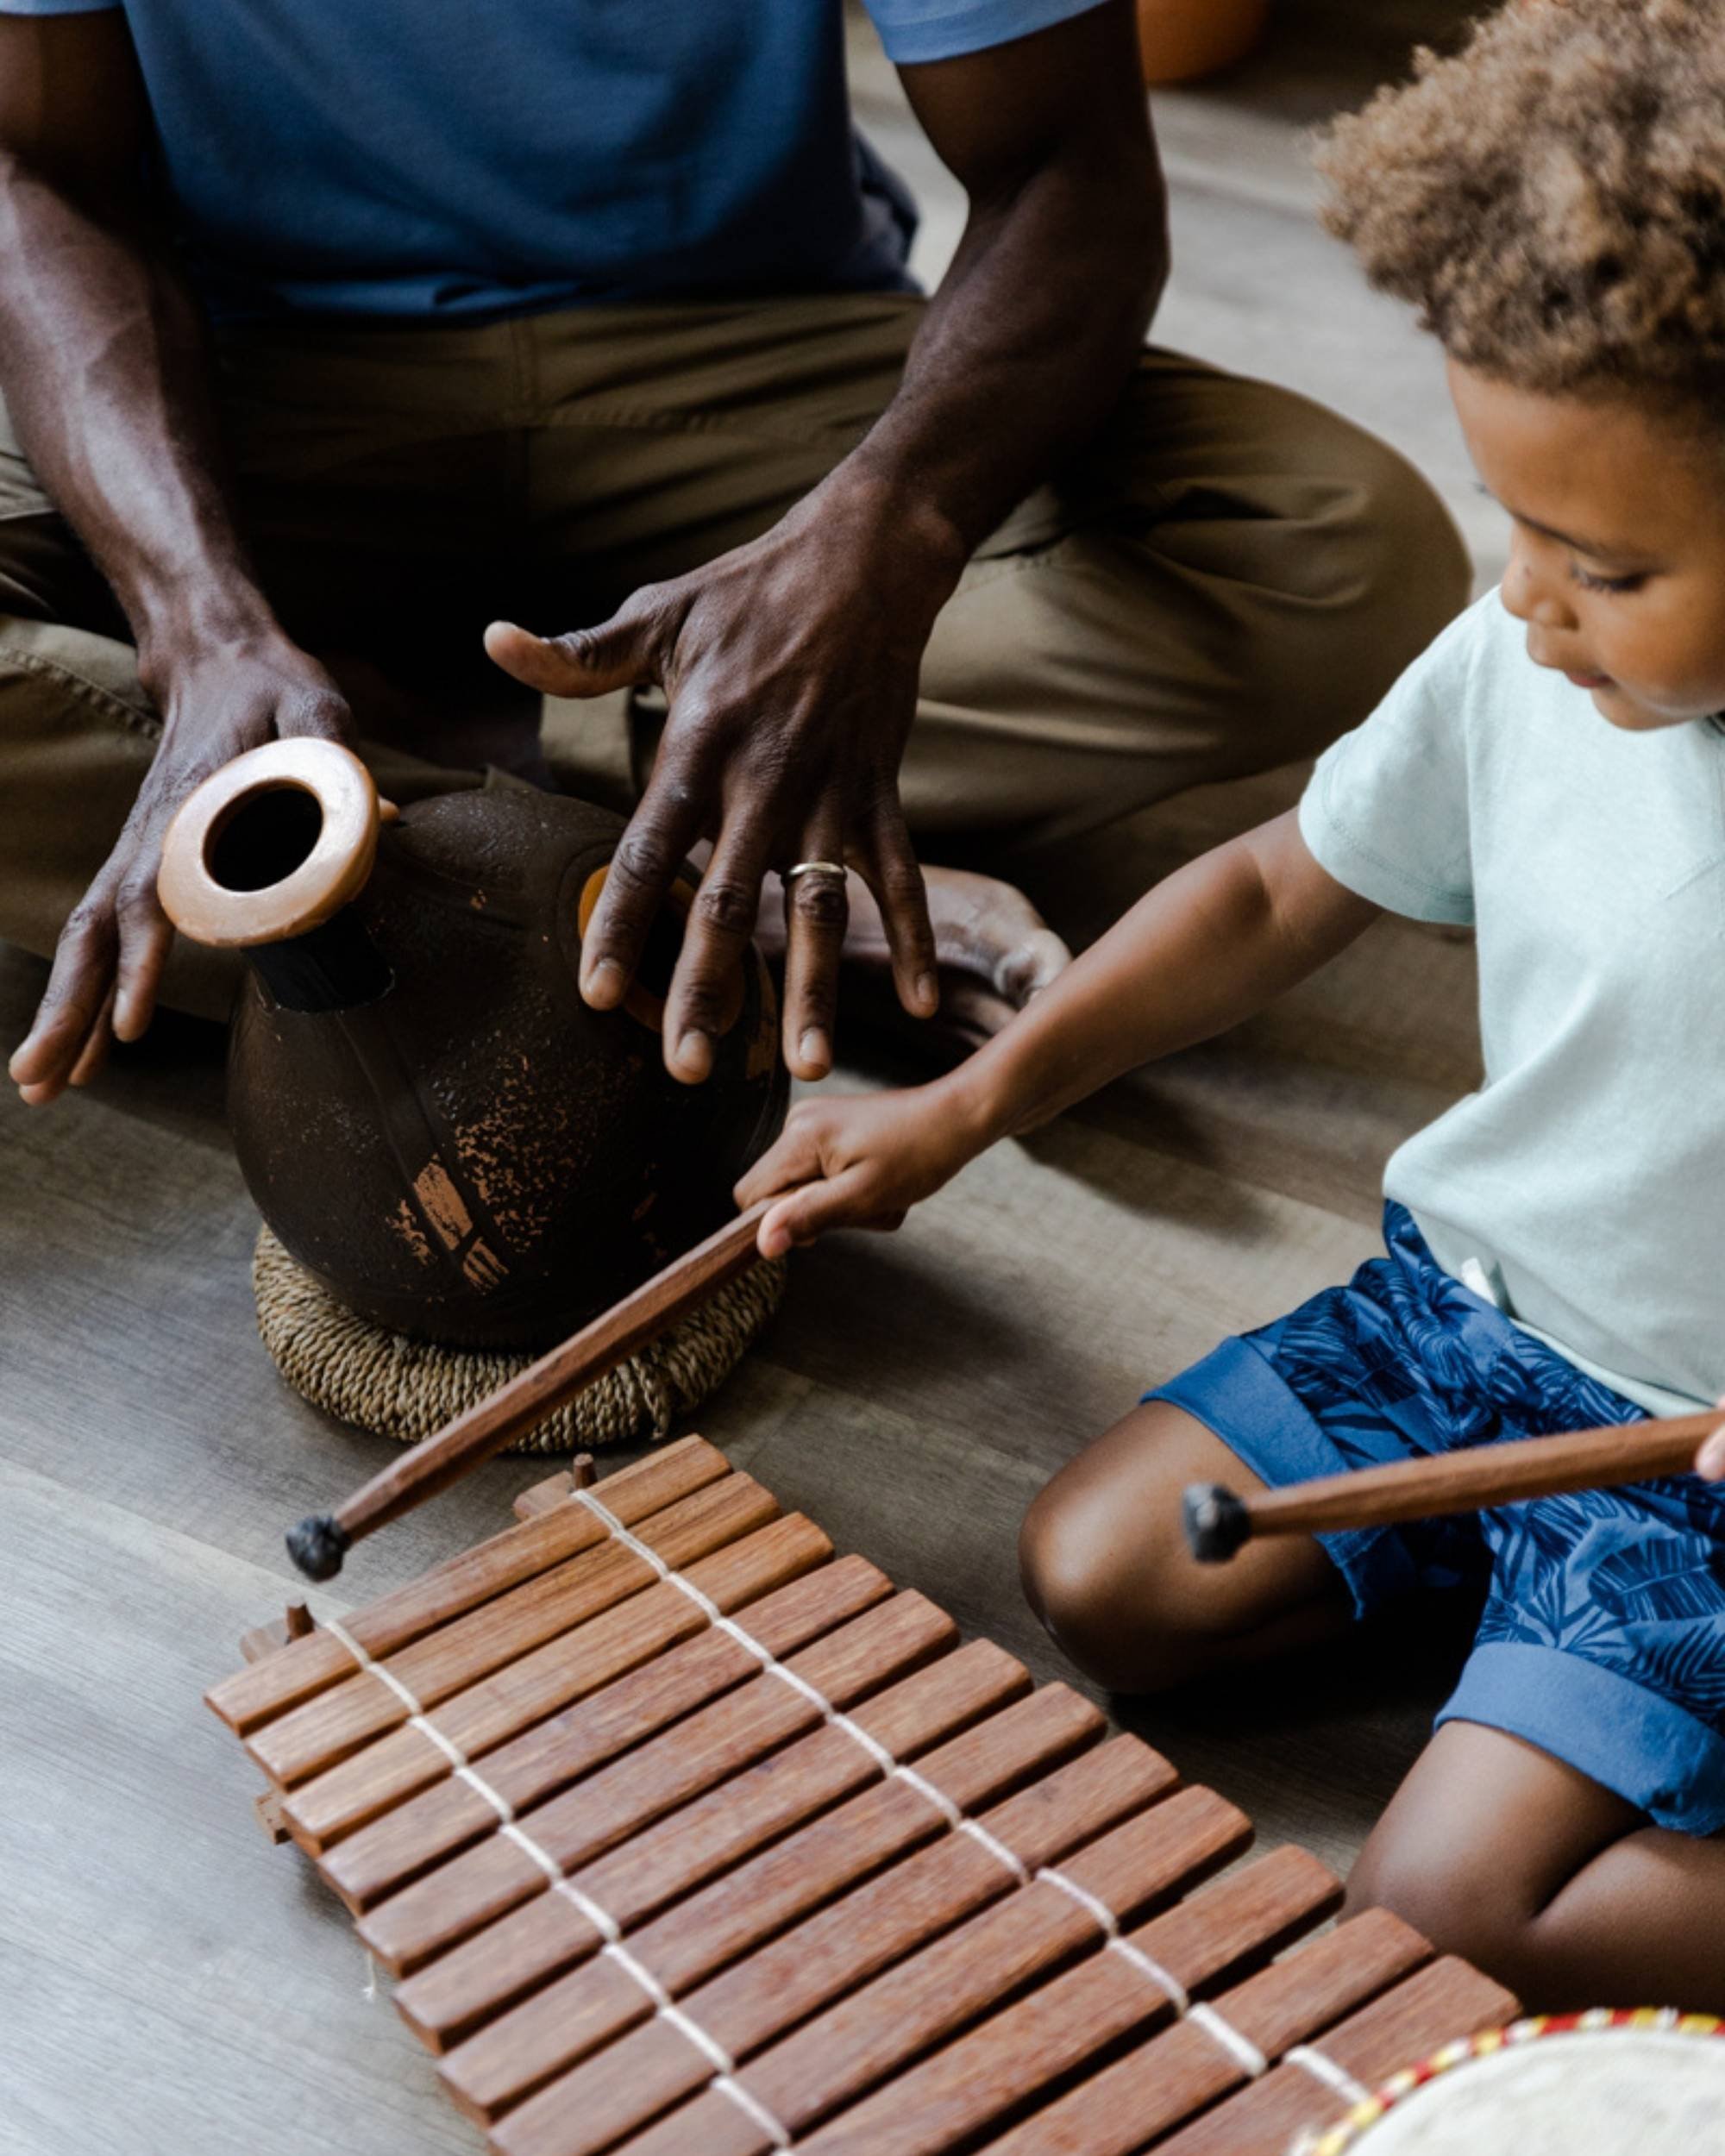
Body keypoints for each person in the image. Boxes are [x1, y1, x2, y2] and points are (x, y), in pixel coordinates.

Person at [740, 0, 1725, 2012]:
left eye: (1600, 563)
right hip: (1465, 1330)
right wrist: (967, 1103)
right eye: (1513, 525)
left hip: (1694, 1454)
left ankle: (1554, 1694)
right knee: (1104, 1575)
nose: (1524, 600)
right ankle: (1506, 1642)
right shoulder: (1520, 658)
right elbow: (1276, 883)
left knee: (1439, 1919)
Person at [0, 0, 1465, 1107]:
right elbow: (43, 175)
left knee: (1336, 550)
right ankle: (710, 882)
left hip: (741, 340)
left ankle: (422, 803)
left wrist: (888, 531)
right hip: (254, 374)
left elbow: (1063, 166)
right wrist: (194, 620)